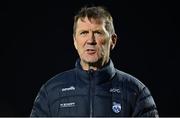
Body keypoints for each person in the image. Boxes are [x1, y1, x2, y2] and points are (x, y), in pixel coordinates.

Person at [30, 6, 159, 117]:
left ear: (113, 40)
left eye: (98, 33)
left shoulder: (136, 92)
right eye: (84, 33)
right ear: (75, 41)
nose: (90, 40)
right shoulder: (51, 91)